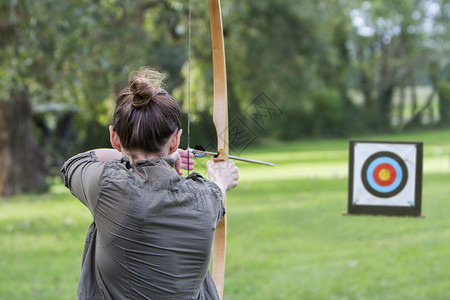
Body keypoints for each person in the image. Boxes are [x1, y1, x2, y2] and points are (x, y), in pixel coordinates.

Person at [61, 67, 239, 300]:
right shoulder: (207, 198)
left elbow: (77, 161)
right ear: (175, 140)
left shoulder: (107, 186)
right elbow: (216, 189)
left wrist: (151, 157)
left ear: (114, 137)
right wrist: (220, 179)